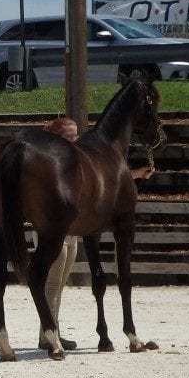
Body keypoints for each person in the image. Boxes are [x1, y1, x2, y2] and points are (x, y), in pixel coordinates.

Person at [38, 117, 154, 352]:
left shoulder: (73, 163)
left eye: (76, 135)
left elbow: (100, 181)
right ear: (58, 139)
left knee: (59, 284)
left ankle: (53, 330)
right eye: (71, 137)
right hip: (55, 231)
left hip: (71, 233)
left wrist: (135, 175)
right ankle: (46, 335)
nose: (76, 140)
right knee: (51, 284)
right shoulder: (52, 166)